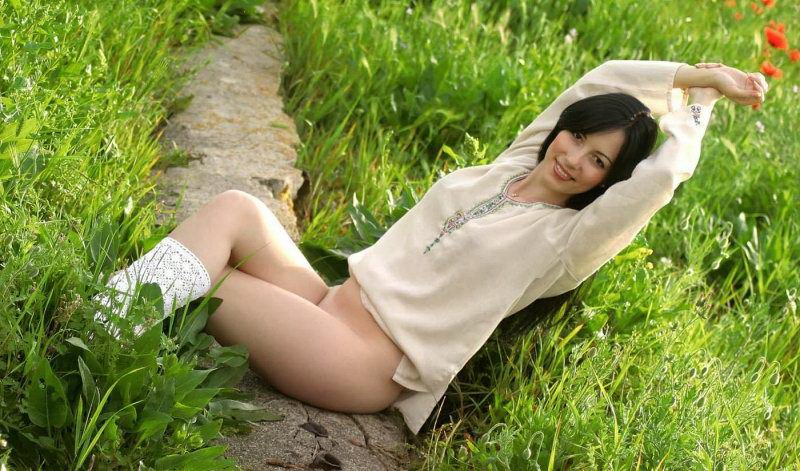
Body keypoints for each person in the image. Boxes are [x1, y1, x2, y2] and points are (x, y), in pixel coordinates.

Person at [91, 60, 768, 435]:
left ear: (605, 183)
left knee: (213, 279)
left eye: (598, 162)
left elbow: (658, 182)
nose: (575, 160)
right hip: (328, 303)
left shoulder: (566, 241)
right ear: (562, 129)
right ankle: (99, 325)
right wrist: (688, 73)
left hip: (363, 360)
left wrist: (700, 105)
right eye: (579, 138)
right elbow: (598, 80)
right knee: (236, 208)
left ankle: (88, 347)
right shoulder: (513, 167)